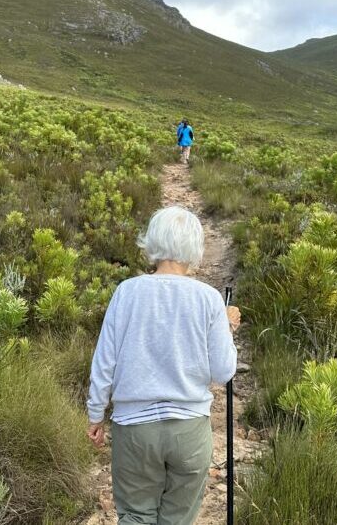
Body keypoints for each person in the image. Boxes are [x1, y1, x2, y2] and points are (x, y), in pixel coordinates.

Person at [86, 206, 240, 525]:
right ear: (194, 248)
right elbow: (223, 372)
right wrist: (226, 329)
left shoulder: (126, 293)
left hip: (134, 430)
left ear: (151, 242)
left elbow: (105, 362)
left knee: (136, 516)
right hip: (190, 431)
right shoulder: (209, 299)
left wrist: (96, 414)